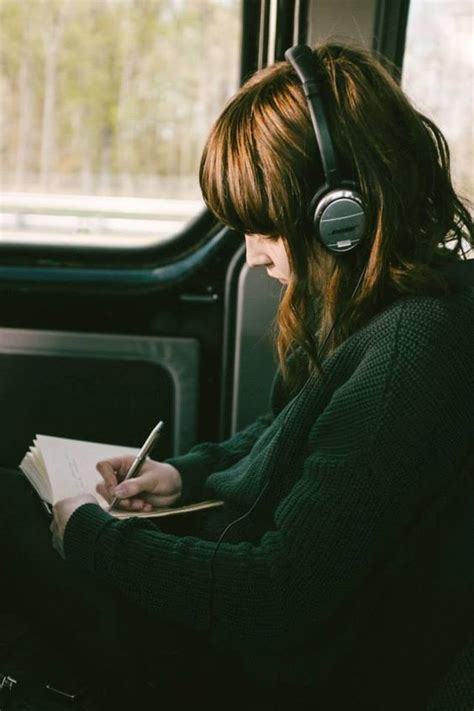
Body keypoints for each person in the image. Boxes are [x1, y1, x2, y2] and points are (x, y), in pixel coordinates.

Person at [1, 42, 473, 711]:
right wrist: (183, 476)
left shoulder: (412, 351)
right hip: (248, 628)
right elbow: (284, 433)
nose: (254, 256)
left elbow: (276, 595)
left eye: (266, 228)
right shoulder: (378, 312)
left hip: (262, 668)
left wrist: (92, 536)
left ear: (342, 217)